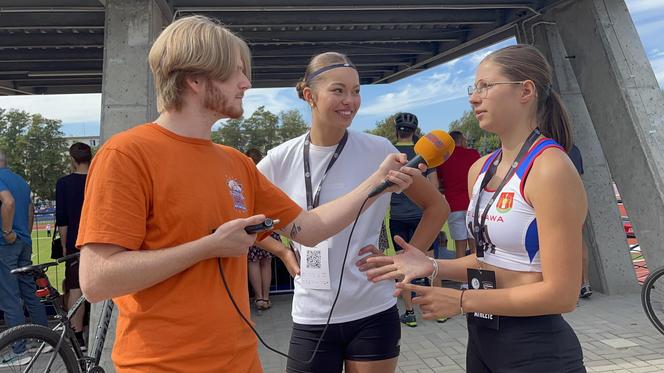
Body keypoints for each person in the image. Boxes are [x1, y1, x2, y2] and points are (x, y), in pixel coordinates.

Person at [76, 16, 421, 373]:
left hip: (241, 360)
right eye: (236, 72)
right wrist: (208, 247)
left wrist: (377, 180)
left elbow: (310, 228)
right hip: (163, 364)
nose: (246, 83)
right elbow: (97, 280)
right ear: (195, 79)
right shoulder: (127, 154)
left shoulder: (236, 163)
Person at [363, 44, 587, 372]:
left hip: (537, 347)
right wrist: (432, 265)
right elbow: (488, 260)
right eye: (474, 88)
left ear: (526, 90)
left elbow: (562, 294)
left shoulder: (550, 168)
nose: (473, 97)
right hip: (482, 338)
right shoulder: (480, 169)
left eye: (485, 86)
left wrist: (462, 300)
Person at [257, 52, 448, 373]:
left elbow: (437, 206)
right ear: (309, 96)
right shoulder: (279, 159)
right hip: (311, 314)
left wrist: (407, 260)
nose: (350, 101)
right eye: (338, 90)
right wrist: (282, 251)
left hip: (373, 310)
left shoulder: (379, 150)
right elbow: (240, 218)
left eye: (356, 91)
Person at [388, 112, 441, 327]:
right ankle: (437, 309)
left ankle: (409, 312)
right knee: (431, 262)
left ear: (397, 131)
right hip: (423, 215)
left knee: (403, 264)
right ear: (415, 131)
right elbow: (435, 188)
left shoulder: (390, 153)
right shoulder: (425, 154)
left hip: (398, 217)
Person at [0, 149, 49, 366]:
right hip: (23, 242)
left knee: (10, 296)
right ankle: (45, 340)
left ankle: (19, 349)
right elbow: (30, 211)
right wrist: (24, 236)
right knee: (29, 292)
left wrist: (7, 232)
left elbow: (8, 202)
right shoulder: (20, 180)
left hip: (6, 243)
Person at [244, 148, 299, 311]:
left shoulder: (245, 178)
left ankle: (259, 297)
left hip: (251, 224)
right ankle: (266, 297)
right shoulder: (268, 178)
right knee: (266, 262)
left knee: (253, 262)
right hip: (270, 223)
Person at [55, 142, 93, 349]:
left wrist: (64, 245)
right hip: (99, 239)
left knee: (75, 288)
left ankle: (76, 335)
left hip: (75, 242)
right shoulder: (98, 180)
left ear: (73, 160)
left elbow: (63, 220)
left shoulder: (64, 184)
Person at [436, 131, 481, 260]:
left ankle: (462, 280)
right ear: (462, 140)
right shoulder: (473, 154)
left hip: (454, 205)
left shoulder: (443, 159)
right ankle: (476, 278)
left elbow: (439, 182)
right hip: (472, 205)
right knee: (474, 246)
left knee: (460, 247)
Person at [568, 144, 593, 298]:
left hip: (556, 200)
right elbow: (580, 177)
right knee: (579, 241)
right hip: (576, 200)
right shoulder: (574, 149)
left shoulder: (547, 149)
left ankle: (571, 285)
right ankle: (585, 282)